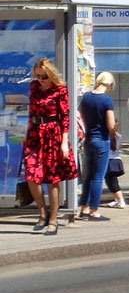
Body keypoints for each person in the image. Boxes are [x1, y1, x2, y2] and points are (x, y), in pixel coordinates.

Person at [22, 57, 79, 235]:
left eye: (44, 76)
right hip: (35, 133)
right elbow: (31, 112)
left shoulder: (60, 90)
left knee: (53, 179)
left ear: (52, 75)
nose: (40, 80)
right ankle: (42, 212)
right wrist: (26, 134)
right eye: (38, 76)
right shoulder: (34, 88)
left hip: (53, 134)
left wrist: (64, 142)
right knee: (32, 175)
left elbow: (65, 118)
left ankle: (53, 218)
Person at [78, 71, 117, 221]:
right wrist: (114, 134)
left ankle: (84, 208)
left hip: (89, 141)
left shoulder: (86, 97)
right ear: (110, 84)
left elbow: (81, 116)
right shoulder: (107, 101)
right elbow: (111, 125)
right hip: (102, 141)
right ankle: (94, 210)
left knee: (89, 177)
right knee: (98, 177)